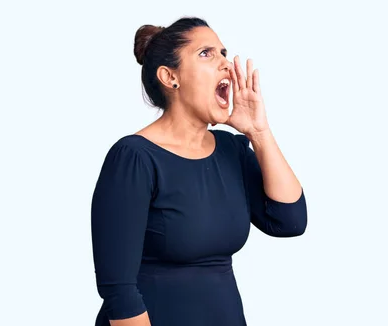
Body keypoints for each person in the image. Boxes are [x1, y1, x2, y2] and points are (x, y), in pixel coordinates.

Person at [90, 16, 307, 326]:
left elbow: (290, 220)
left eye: (223, 52)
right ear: (170, 77)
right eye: (206, 53)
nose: (225, 64)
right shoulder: (134, 158)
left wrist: (258, 133)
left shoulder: (231, 150)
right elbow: (118, 291)